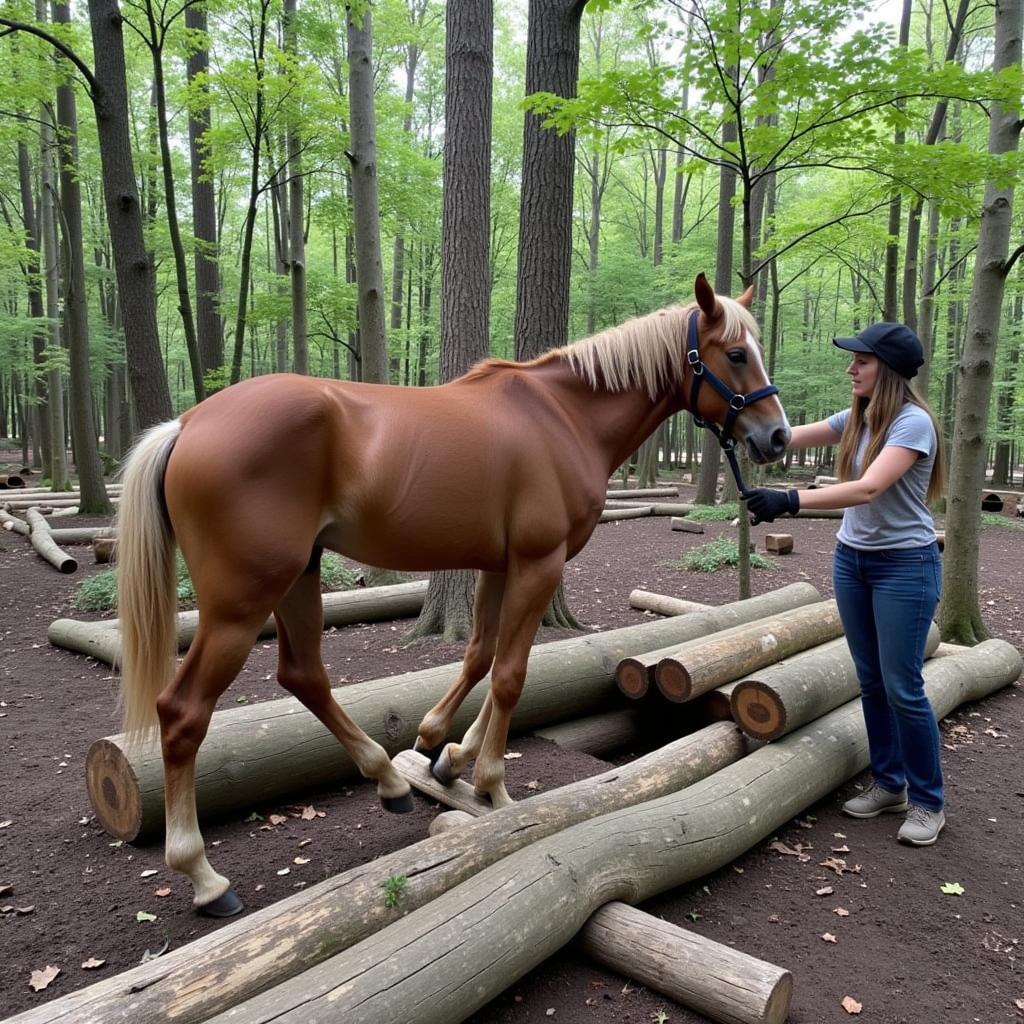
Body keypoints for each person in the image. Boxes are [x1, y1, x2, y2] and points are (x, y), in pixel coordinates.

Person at [742, 322, 946, 846]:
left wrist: (789, 500)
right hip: (852, 562)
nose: (850, 368)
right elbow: (791, 437)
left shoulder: (912, 423)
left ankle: (927, 802)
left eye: (862, 360)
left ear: (890, 371)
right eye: (852, 359)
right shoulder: (857, 416)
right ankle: (889, 783)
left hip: (905, 566)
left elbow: (869, 488)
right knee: (871, 679)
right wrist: (744, 424)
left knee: (903, 687)